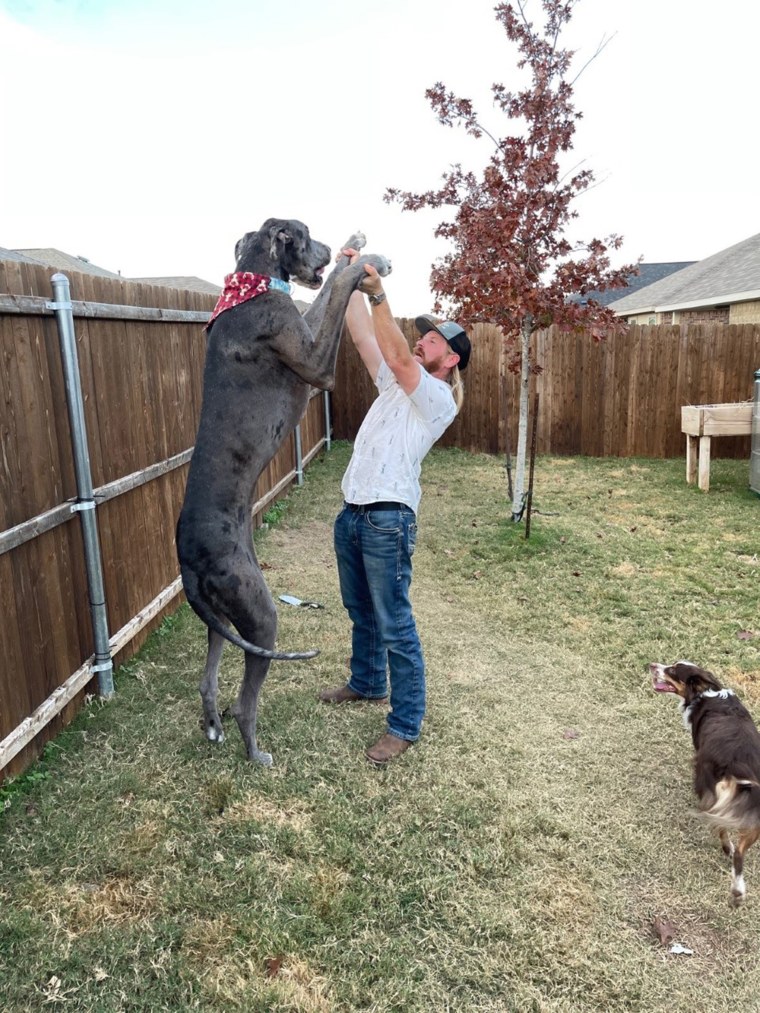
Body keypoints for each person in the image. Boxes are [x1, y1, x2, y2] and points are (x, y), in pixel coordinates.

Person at [318, 250, 471, 765]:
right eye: (423, 334)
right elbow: (366, 335)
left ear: (449, 359)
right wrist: (343, 280)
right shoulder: (393, 384)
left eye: (433, 339)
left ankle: (404, 724)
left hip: (388, 519)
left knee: (394, 623)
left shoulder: (436, 397)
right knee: (359, 609)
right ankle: (366, 683)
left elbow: (401, 357)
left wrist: (378, 292)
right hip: (353, 510)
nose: (423, 340)